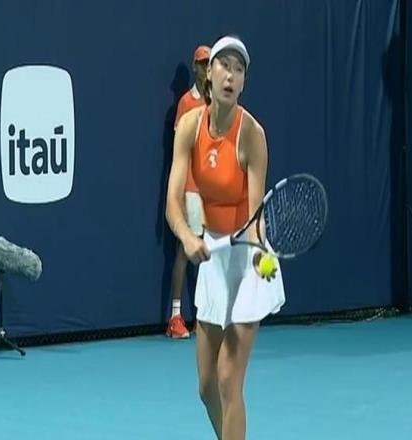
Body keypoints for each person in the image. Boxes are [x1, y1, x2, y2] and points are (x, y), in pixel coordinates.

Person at [166, 35, 285, 439]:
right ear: (209, 74)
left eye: (239, 69)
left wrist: (256, 251)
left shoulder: (252, 135)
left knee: (228, 379)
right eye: (224, 66)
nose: (231, 76)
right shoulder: (189, 127)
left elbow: (254, 216)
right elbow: (172, 203)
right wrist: (187, 237)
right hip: (214, 259)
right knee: (206, 387)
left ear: (244, 81)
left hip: (249, 260)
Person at [167, 45, 211, 339]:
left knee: (209, 252)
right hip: (191, 189)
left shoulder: (217, 102)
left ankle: (205, 314)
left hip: (212, 190)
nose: (206, 69)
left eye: (209, 64)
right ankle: (175, 317)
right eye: (202, 64)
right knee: (185, 251)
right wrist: (180, 192)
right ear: (195, 68)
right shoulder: (185, 102)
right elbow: (180, 152)